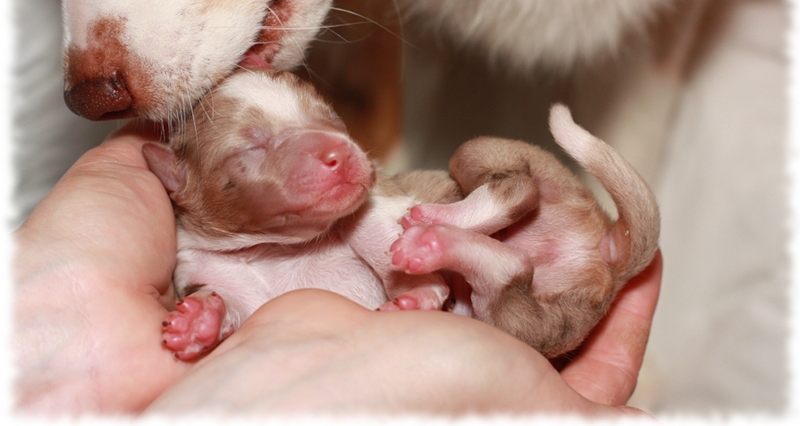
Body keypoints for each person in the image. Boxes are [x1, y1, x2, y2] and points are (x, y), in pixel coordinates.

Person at [12, 122, 662, 416]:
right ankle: (473, 249)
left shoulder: (344, 213)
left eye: (320, 121)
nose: (331, 146)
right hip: (525, 309)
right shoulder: (198, 258)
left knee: (475, 157)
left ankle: (479, 220)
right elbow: (240, 317)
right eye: (257, 144)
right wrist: (213, 313)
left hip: (517, 204)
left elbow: (381, 219)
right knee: (512, 326)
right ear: (180, 183)